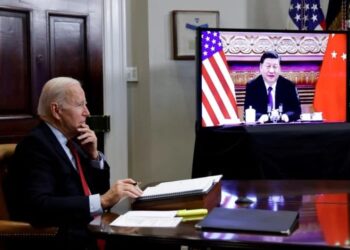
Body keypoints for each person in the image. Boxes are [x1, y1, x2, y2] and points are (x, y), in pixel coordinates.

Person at [5, 77, 143, 250]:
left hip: (92, 230)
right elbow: (39, 206)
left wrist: (93, 156)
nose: (87, 112)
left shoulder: (73, 142)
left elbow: (97, 192)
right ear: (56, 110)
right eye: (80, 105)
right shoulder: (36, 145)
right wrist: (102, 201)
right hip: (66, 240)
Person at [244, 50, 301, 123]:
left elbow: (297, 111)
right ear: (261, 67)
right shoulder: (252, 86)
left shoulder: (289, 86)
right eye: (268, 66)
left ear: (280, 68)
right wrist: (263, 117)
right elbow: (247, 112)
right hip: (260, 130)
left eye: (275, 67)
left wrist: (285, 116)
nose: (271, 70)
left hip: (284, 129)